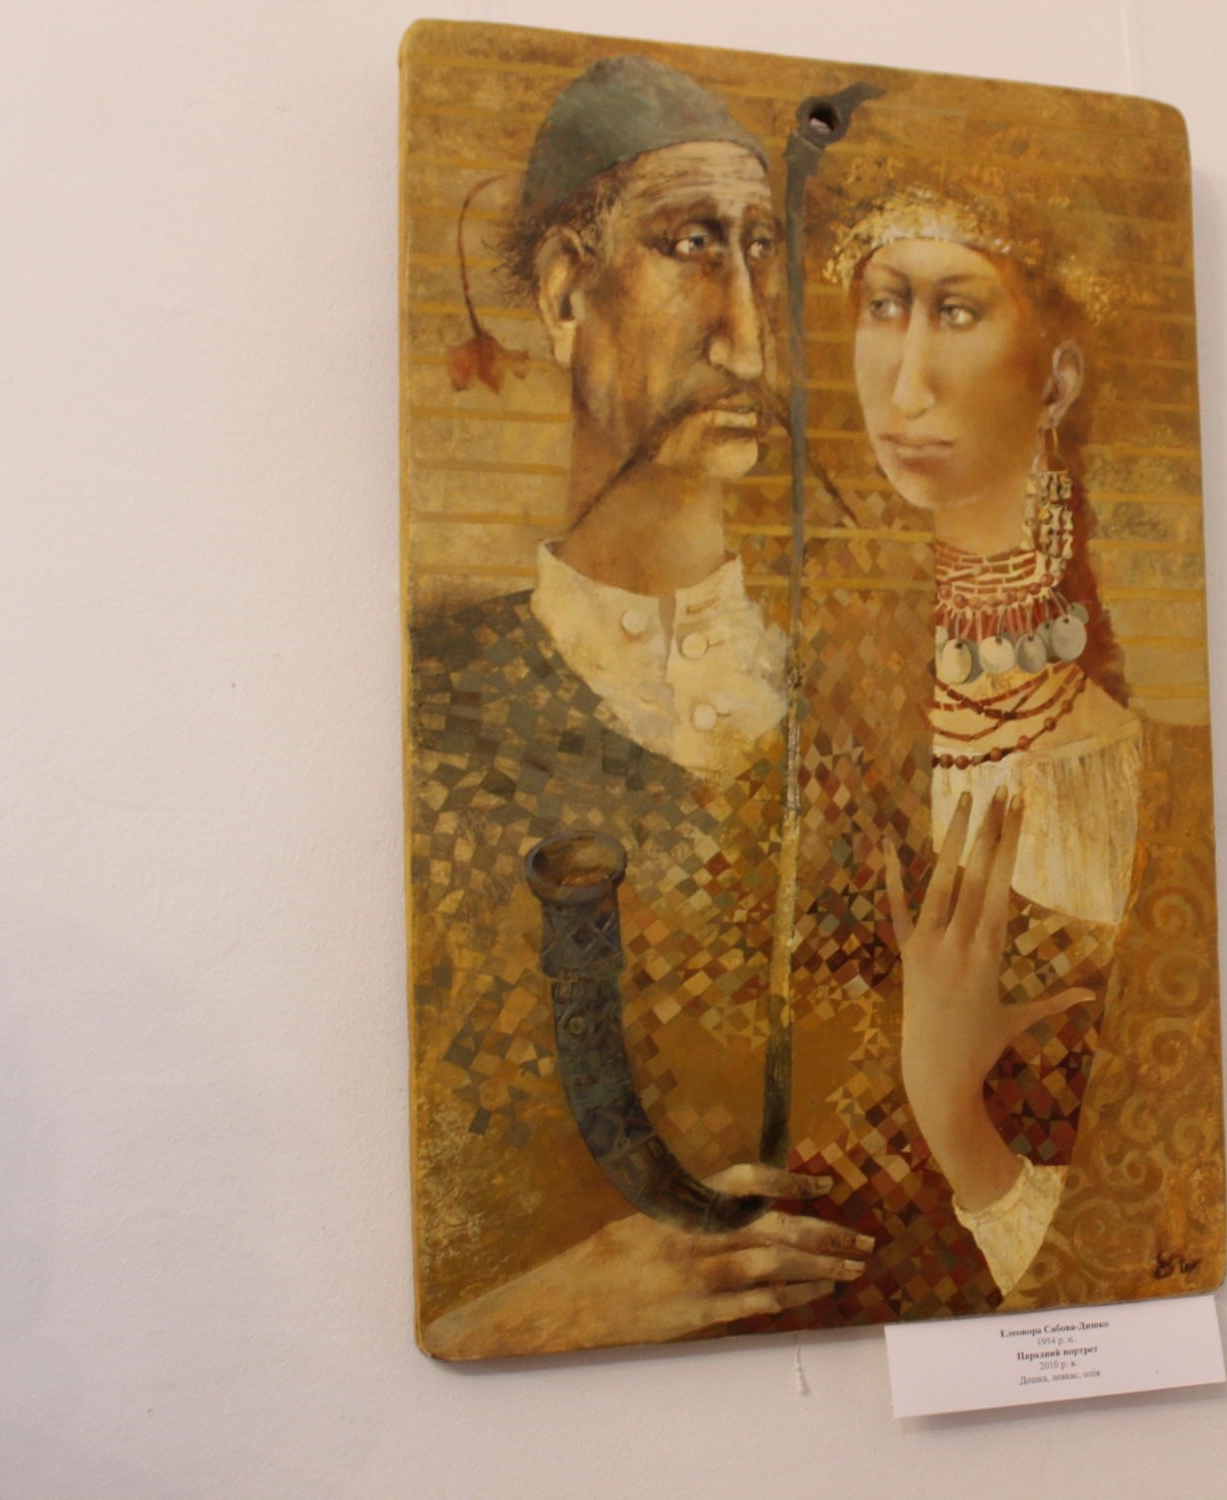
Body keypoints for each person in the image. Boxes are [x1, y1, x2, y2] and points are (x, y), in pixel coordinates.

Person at [406, 54, 880, 1358]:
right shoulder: (439, 694)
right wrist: (531, 1314)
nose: (746, 335)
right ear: (565, 293)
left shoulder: (861, 693)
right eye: (689, 246)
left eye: (761, 251)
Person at [835, 188, 1227, 1304]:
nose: (905, 384)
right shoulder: (836, 726)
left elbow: (1150, 1252)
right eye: (883, 307)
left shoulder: (1164, 782)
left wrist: (952, 1113)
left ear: (1055, 381)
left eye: (956, 311)